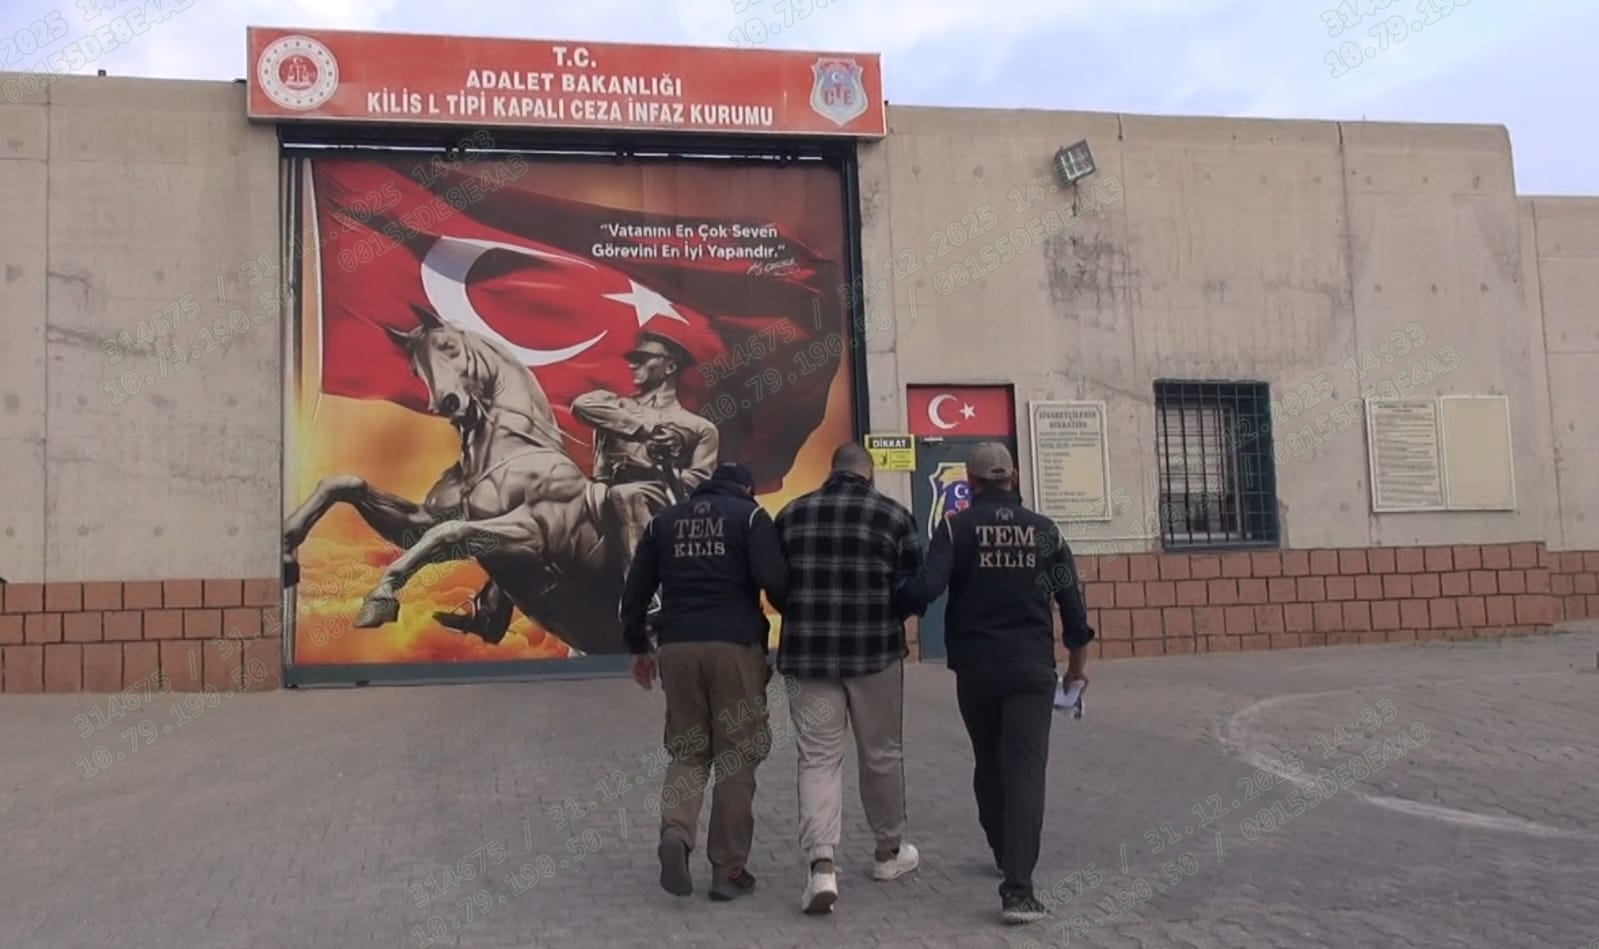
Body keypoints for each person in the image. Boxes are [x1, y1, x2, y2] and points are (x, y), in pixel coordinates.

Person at [896, 442, 1094, 925]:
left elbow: (926, 589)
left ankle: (1004, 848)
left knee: (989, 761)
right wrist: (1076, 668)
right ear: (1014, 477)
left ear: (971, 481)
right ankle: (1018, 889)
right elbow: (1073, 608)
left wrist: (888, 599)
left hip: (977, 668)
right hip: (1031, 668)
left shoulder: (955, 528)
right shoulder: (1045, 532)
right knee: (1025, 771)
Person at [618, 461, 788, 902]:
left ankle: (676, 834)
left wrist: (639, 647)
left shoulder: (664, 522)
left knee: (688, 750)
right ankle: (728, 870)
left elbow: (634, 593)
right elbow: (774, 580)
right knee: (736, 755)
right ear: (746, 488)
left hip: (677, 647)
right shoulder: (750, 517)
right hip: (734, 647)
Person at [773, 442, 924, 914]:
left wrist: (800, 612)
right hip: (875, 653)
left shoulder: (792, 515)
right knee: (881, 754)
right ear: (869, 473)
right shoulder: (894, 515)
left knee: (818, 758)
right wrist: (890, 614)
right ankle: (888, 853)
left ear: (831, 470)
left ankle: (821, 866)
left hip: (808, 655)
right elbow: (914, 585)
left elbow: (776, 585)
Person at [572, 331, 720, 584]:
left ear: (670, 367)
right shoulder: (616, 406)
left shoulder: (699, 427)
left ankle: (645, 587)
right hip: (601, 488)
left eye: (642, 359)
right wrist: (646, 430)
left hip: (659, 494)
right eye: (633, 359)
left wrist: (665, 470)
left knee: (627, 495)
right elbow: (581, 405)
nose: (632, 365)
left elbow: (701, 480)